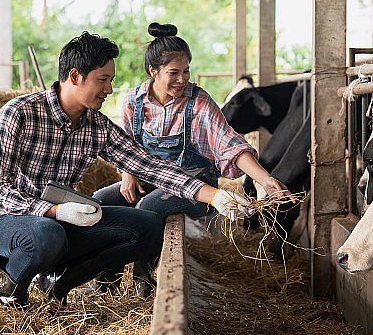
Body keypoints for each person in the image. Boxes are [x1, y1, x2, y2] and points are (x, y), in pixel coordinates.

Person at [0, 31, 250, 309]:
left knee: (148, 227)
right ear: (74, 76)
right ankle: (13, 289)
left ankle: (59, 282)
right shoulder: (19, 113)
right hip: (6, 224)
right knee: (48, 234)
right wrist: (56, 211)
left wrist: (214, 196)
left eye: (111, 81)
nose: (109, 90)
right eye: (102, 80)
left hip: (58, 223)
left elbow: (150, 166)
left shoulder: (96, 126)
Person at [92, 22, 291, 297]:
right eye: (174, 73)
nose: (182, 79)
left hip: (196, 184)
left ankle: (143, 277)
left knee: (148, 205)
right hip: (152, 180)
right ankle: (107, 275)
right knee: (101, 199)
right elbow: (125, 145)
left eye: (186, 71)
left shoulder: (198, 102)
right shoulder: (133, 101)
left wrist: (264, 179)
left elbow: (228, 143)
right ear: (153, 72)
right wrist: (127, 173)